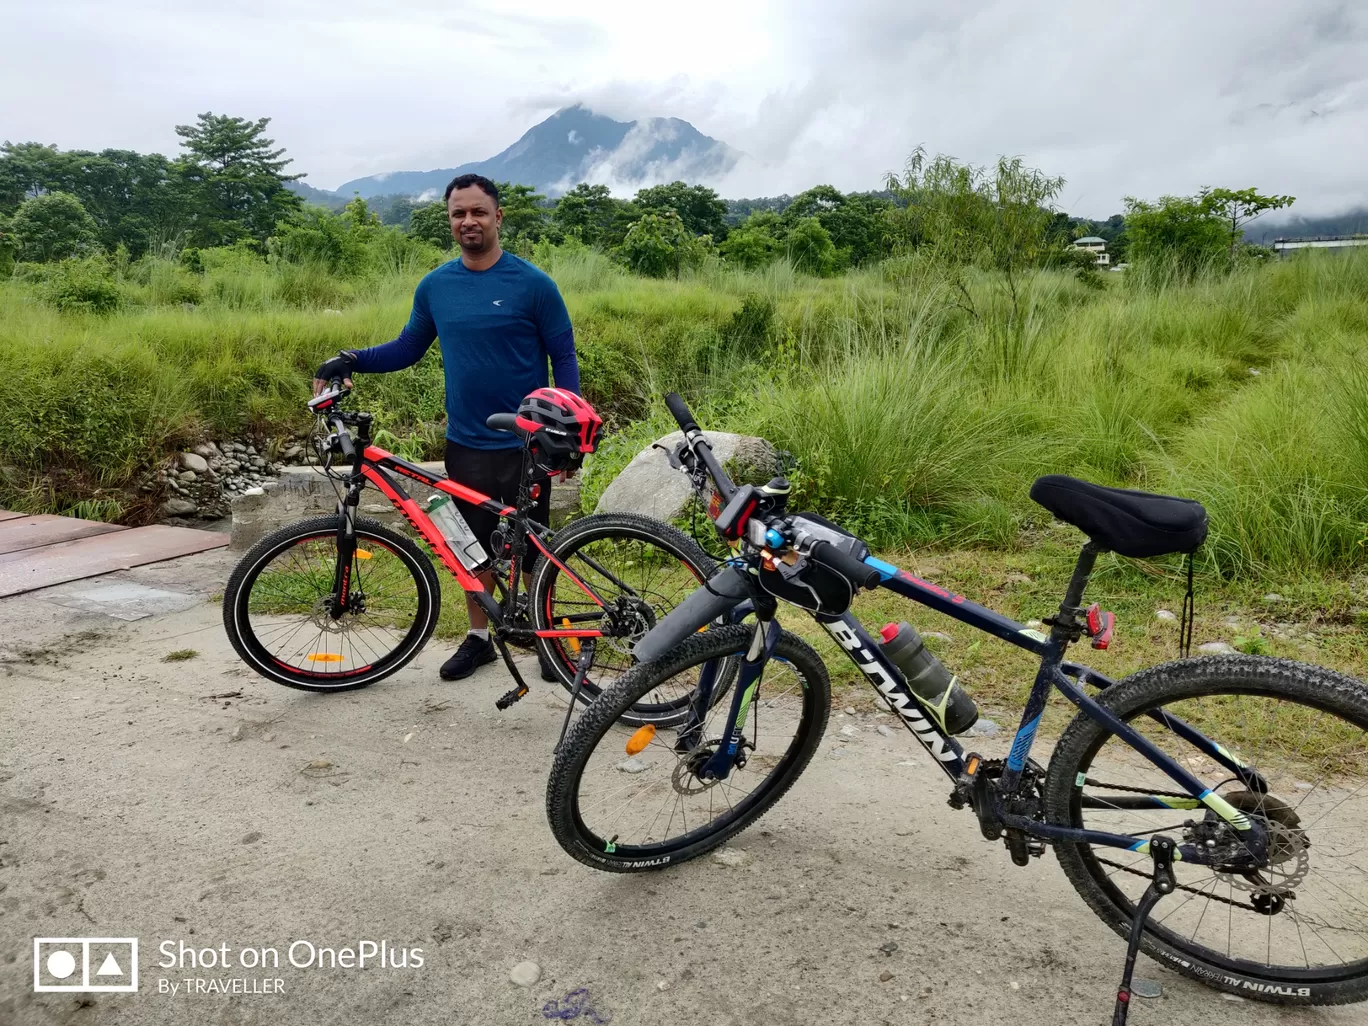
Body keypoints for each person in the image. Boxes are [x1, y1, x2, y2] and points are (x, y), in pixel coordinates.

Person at [313, 173, 579, 682]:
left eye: (478, 211)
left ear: (498, 217)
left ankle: (547, 637)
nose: (468, 221)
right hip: (466, 443)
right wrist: (350, 359)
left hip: (528, 443)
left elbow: (564, 359)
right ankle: (479, 637)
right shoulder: (436, 286)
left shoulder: (534, 285)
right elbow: (407, 348)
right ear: (450, 221)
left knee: (536, 544)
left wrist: (566, 429)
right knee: (468, 545)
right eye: (459, 213)